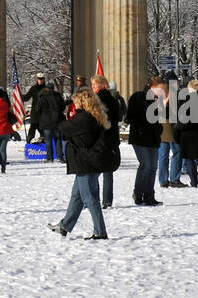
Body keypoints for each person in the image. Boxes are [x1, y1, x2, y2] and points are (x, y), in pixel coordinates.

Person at [48, 90, 111, 240]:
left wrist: (59, 112)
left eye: (76, 100)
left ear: (83, 102)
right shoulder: (94, 116)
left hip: (85, 163)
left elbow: (63, 128)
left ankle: (100, 231)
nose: (74, 103)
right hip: (88, 162)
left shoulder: (84, 118)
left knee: (90, 198)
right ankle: (64, 226)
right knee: (77, 196)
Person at [126, 77, 164, 206]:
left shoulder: (156, 100)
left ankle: (149, 196)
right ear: (153, 87)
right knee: (146, 165)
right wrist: (141, 128)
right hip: (140, 138)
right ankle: (138, 193)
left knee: (152, 167)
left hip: (152, 138)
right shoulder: (138, 97)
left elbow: (156, 120)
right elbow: (130, 116)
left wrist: (159, 129)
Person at [90, 75, 124, 204]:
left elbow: (101, 119)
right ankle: (107, 200)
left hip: (102, 138)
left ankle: (94, 199)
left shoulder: (100, 99)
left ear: (103, 85)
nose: (93, 87)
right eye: (92, 84)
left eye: (95, 84)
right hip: (111, 138)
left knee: (94, 171)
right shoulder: (111, 98)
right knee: (107, 171)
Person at [158, 98, 185, 189]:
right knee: (177, 152)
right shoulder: (172, 96)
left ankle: (163, 180)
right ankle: (174, 179)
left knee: (163, 155)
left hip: (160, 127)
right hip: (171, 126)